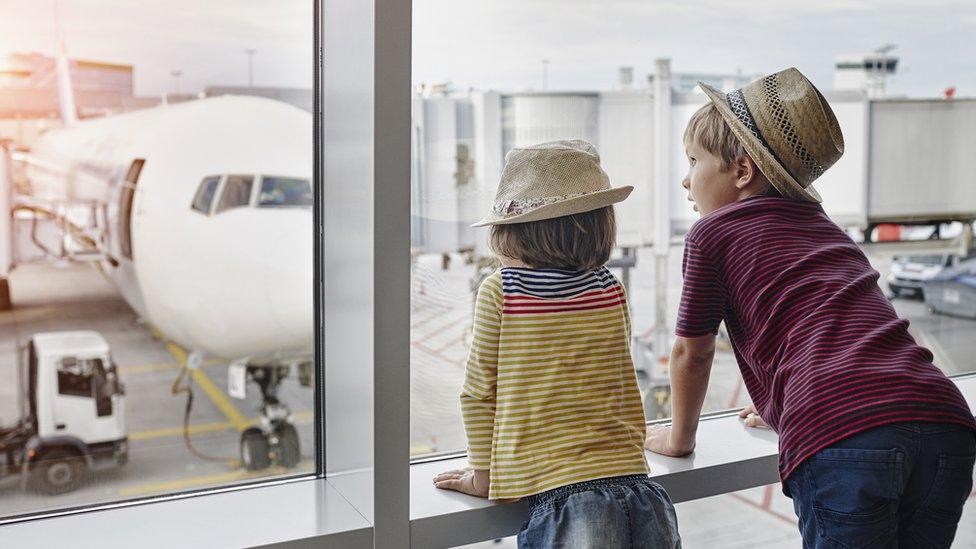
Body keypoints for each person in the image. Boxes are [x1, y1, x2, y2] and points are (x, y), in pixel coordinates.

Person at [644, 67, 976, 548]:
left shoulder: (711, 234)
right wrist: (785, 401)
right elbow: (838, 329)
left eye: (693, 161)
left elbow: (690, 353)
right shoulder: (825, 229)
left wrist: (679, 439)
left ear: (741, 171)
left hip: (846, 434)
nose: (685, 180)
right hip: (942, 417)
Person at [434, 140, 681, 548]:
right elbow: (618, 381)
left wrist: (483, 476)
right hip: (641, 495)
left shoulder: (502, 291)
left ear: (512, 228)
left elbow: (479, 394)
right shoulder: (610, 289)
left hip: (565, 503)